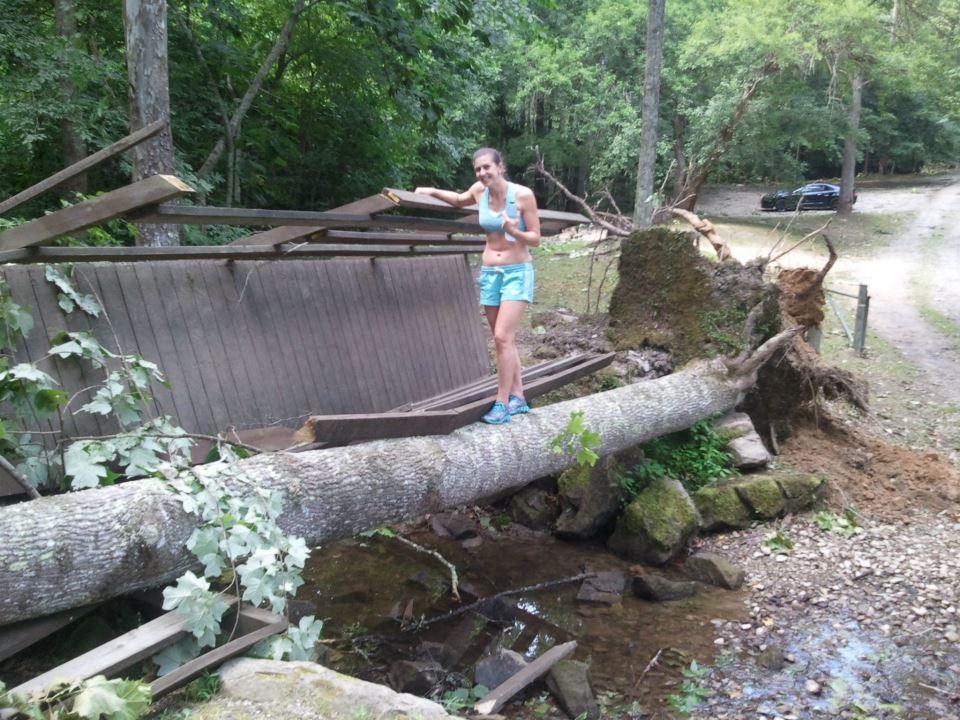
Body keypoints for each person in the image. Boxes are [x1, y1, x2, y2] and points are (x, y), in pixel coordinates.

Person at [415, 147, 542, 424]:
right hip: (490, 273)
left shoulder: (522, 195)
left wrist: (514, 232)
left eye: (487, 167)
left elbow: (535, 238)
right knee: (503, 340)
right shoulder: (478, 191)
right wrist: (430, 190)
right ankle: (519, 396)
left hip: (516, 272)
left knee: (502, 338)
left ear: (500, 167)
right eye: (478, 169)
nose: (482, 173)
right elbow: (459, 200)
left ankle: (502, 402)